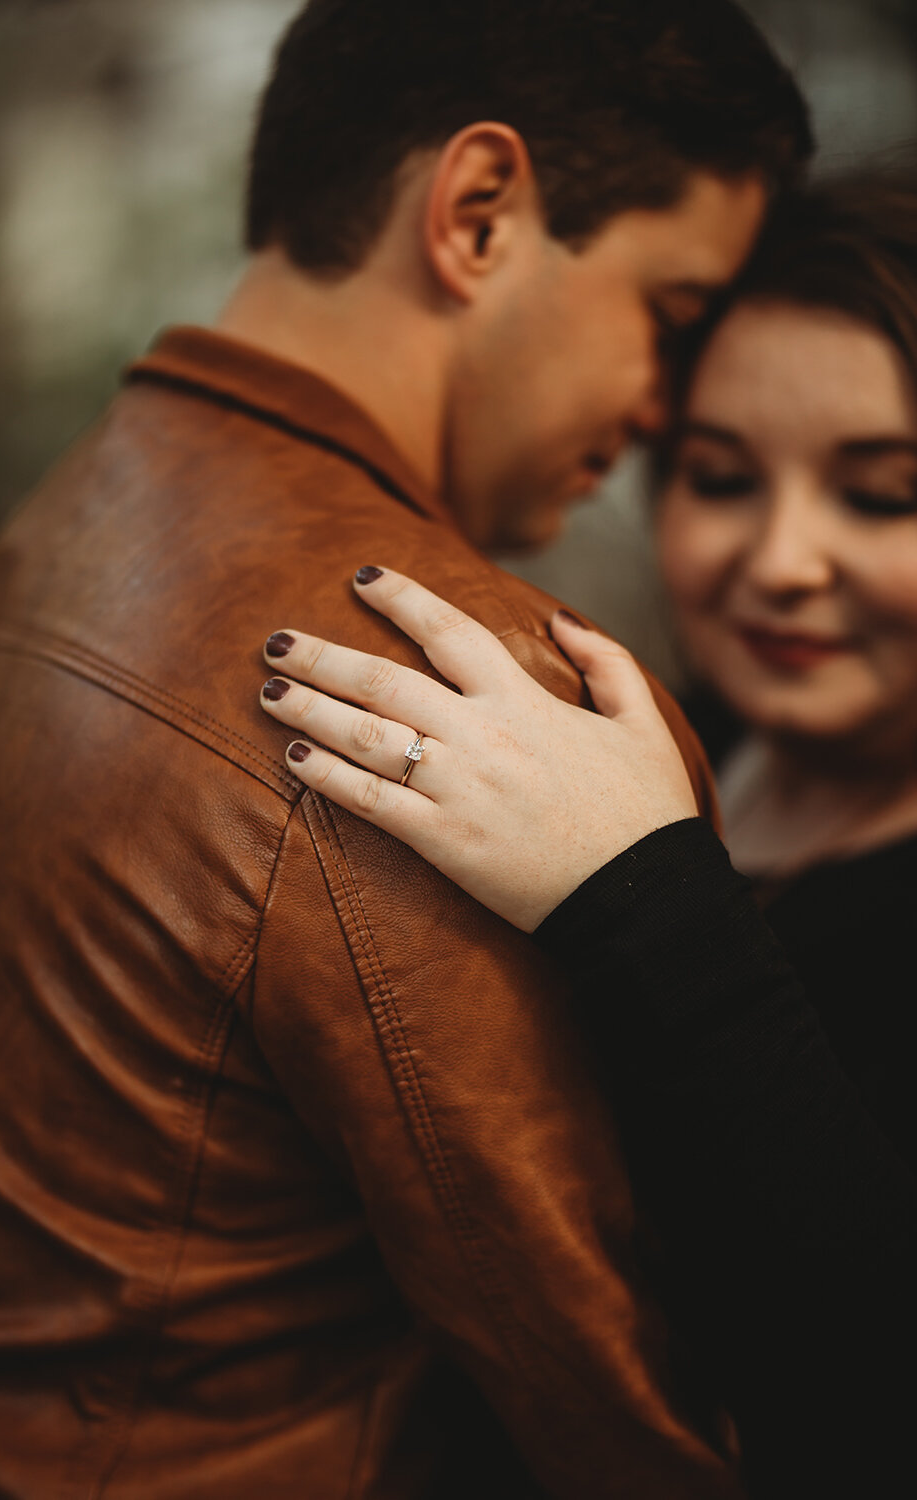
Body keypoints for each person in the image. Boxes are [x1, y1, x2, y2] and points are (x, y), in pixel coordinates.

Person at [0, 2, 813, 1495]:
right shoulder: (472, 696)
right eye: (669, 314)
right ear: (477, 214)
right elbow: (636, 1418)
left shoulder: (46, 542)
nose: (662, 409)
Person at [256, 173, 917, 1495]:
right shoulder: (656, 761)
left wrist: (642, 893)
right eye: (722, 477)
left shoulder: (642, 855)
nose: (782, 558)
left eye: (884, 495)